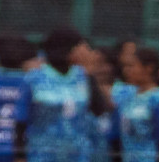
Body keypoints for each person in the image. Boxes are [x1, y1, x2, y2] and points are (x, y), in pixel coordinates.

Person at [22, 29, 103, 162]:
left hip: (78, 154)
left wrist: (89, 73)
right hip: (42, 154)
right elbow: (20, 121)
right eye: (80, 46)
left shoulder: (82, 76)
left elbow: (98, 109)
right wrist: (20, 157)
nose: (86, 51)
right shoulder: (35, 78)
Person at [106, 49, 159, 162]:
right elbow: (116, 136)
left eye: (132, 66)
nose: (127, 70)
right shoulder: (127, 98)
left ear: (149, 68)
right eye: (126, 66)